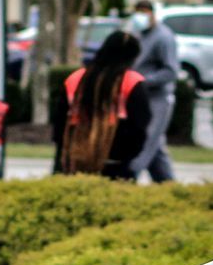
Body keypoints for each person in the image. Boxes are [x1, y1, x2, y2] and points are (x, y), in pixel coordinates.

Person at [52, 30, 152, 179]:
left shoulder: (76, 79)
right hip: (116, 163)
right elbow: (140, 124)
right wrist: (131, 154)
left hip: (72, 160)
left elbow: (59, 121)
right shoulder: (131, 82)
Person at [129, 0, 178, 182]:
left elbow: (171, 71)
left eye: (144, 12)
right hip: (140, 97)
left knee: (146, 138)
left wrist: (142, 82)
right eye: (137, 12)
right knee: (155, 144)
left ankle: (130, 176)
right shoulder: (139, 35)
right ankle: (167, 183)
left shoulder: (163, 37)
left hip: (158, 98)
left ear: (152, 14)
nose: (140, 17)